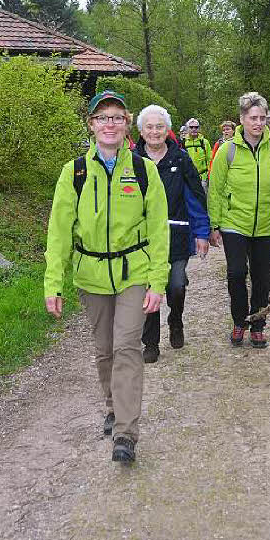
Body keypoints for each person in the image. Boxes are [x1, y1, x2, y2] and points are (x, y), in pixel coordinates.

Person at [44, 90, 170, 464]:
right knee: (104, 351)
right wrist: (53, 283)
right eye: (103, 118)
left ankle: (126, 433)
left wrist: (158, 282)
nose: (110, 124)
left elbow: (159, 230)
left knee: (127, 347)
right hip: (91, 275)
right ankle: (113, 407)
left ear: (127, 124)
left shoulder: (144, 171)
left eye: (117, 117)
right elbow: (59, 230)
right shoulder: (75, 172)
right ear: (91, 125)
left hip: (134, 273)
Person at [207, 92, 270, 348]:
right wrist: (214, 225)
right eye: (253, 118)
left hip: (269, 224)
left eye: (262, 118)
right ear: (242, 119)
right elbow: (215, 189)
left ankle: (257, 323)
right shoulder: (227, 151)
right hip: (234, 223)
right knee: (237, 273)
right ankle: (239, 321)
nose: (258, 123)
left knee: (263, 278)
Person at [134, 105, 210, 363]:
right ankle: (151, 342)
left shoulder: (180, 158)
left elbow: (195, 198)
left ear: (167, 129)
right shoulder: (132, 162)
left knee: (176, 285)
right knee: (148, 288)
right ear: (141, 131)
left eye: (159, 126)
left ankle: (176, 320)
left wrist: (202, 232)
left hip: (176, 234)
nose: (155, 132)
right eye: (149, 127)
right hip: (143, 240)